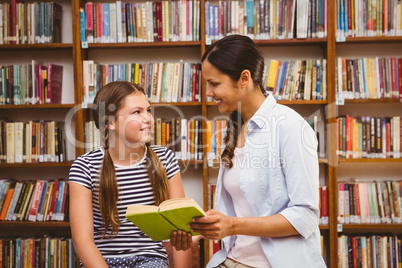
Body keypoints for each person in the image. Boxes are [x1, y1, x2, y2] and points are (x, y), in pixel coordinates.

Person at [188, 35, 327, 267]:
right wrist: (201, 230)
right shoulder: (233, 129)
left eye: (214, 83)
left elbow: (304, 217)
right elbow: (241, 208)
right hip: (231, 259)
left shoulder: (289, 126)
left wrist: (232, 225)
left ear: (244, 78)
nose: (209, 93)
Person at [69, 81, 192, 268]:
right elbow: (82, 240)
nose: (148, 118)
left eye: (148, 110)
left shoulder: (165, 158)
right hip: (102, 261)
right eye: (137, 112)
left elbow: (181, 230)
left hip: (149, 259)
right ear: (109, 122)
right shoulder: (85, 166)